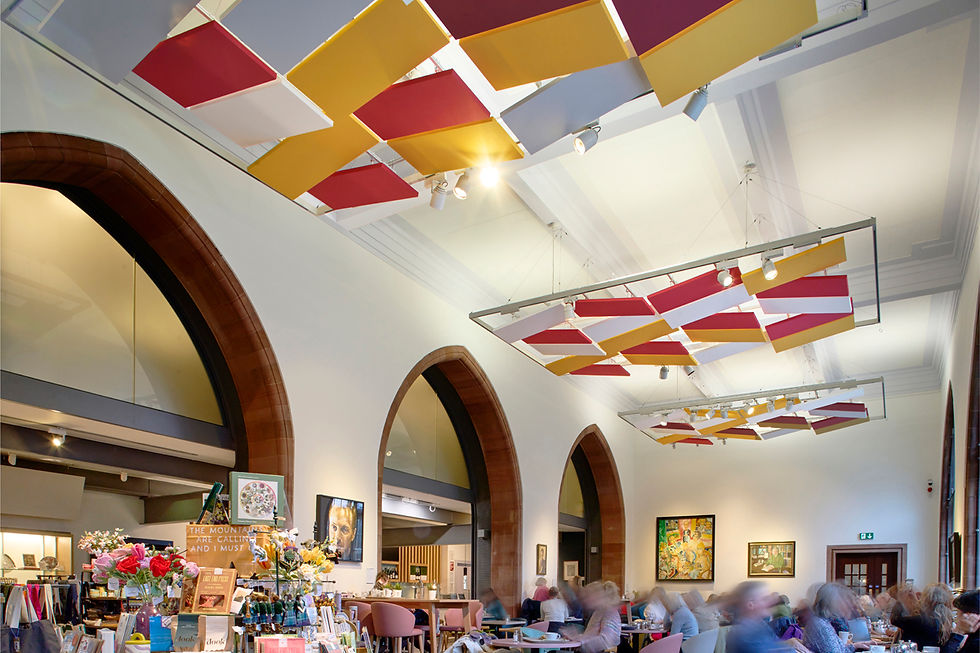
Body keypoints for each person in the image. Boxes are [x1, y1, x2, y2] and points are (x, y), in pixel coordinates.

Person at [727, 581, 809, 653]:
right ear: (750, 605)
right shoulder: (744, 634)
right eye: (764, 599)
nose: (771, 602)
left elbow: (775, 643)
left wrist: (792, 643)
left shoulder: (759, 625)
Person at [803, 583, 870, 652]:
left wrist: (854, 646)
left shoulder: (823, 622)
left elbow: (839, 649)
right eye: (842, 600)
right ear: (831, 602)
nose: (847, 604)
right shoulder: (820, 625)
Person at [891, 583, 955, 650]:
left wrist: (901, 600)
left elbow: (895, 620)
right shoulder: (943, 619)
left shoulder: (923, 620)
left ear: (926, 600)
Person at [562, 581, 621, 653]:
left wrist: (581, 642)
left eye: (587, 597)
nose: (585, 600)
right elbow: (591, 635)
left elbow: (607, 641)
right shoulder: (599, 612)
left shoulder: (610, 612)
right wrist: (577, 637)